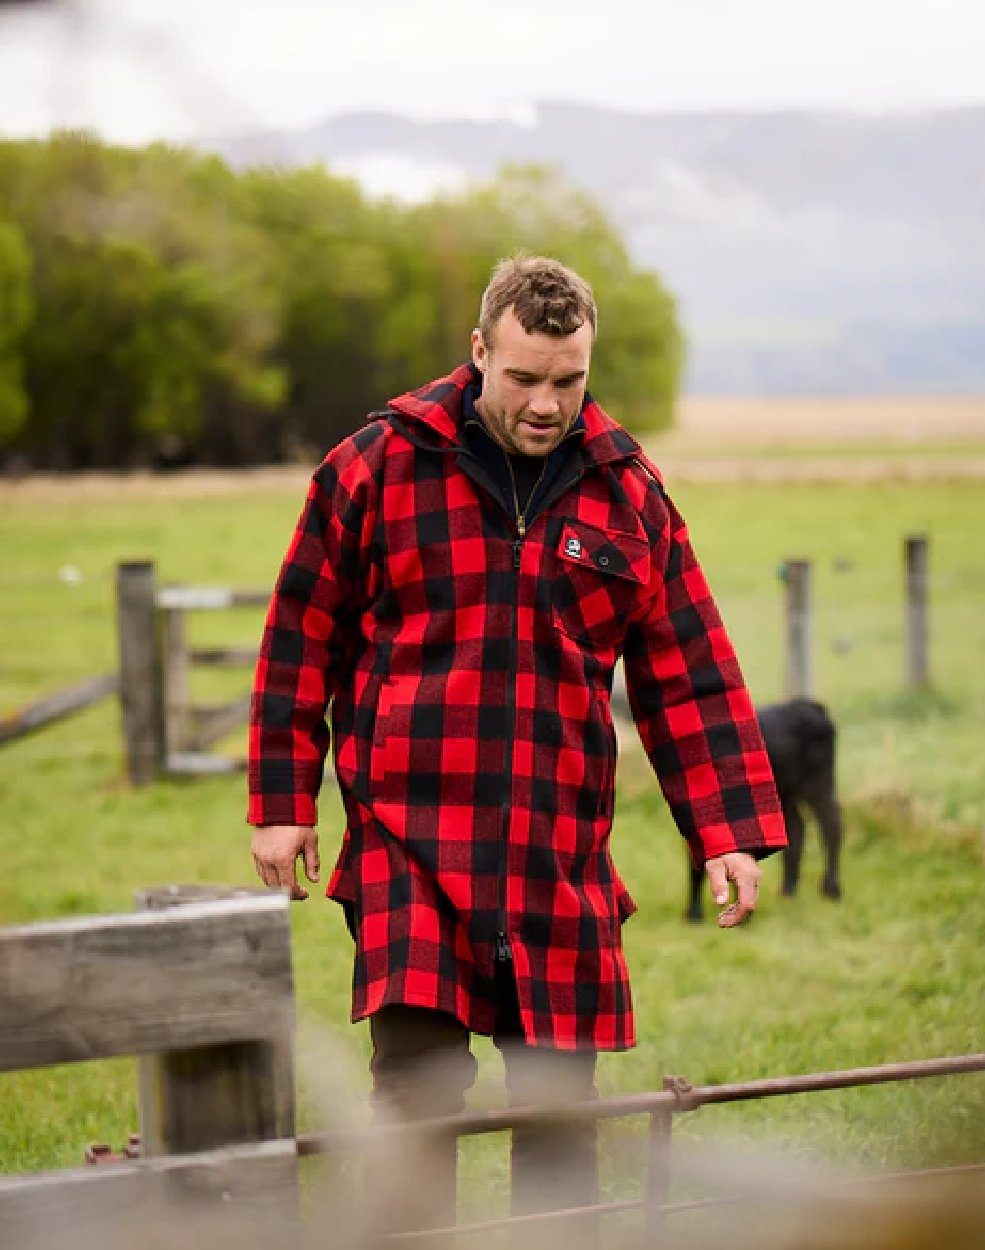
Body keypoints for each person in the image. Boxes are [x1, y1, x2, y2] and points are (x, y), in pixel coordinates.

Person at [247, 254, 787, 1232]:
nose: (545, 403)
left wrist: (727, 830)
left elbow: (687, 671)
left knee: (556, 1114)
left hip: (556, 850)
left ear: (589, 365)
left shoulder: (627, 492)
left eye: (567, 381)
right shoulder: (376, 463)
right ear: (479, 351)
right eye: (524, 377)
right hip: (409, 837)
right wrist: (284, 802)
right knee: (413, 1091)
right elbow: (301, 633)